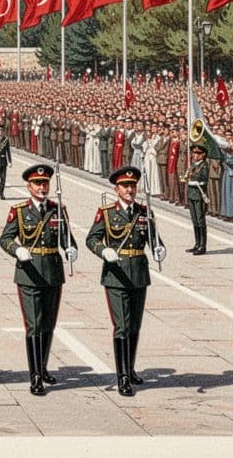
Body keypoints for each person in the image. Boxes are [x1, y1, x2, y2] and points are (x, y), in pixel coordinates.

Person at [86, 166, 165, 397]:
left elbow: (154, 239)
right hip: (116, 274)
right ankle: (121, 377)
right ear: (116, 189)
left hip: (139, 273)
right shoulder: (107, 213)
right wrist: (103, 251)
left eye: (132, 186)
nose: (129, 190)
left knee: (135, 326)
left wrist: (159, 249)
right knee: (122, 326)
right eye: (125, 186)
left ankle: (130, 369)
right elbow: (91, 239)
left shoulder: (144, 212)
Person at [0, 163, 77, 395]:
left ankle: (42, 368)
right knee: (34, 325)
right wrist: (17, 249)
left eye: (45, 184)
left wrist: (71, 249)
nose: (42, 188)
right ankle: (35, 376)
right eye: (37, 184)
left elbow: (67, 238)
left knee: (48, 324)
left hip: (53, 273)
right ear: (29, 186)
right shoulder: (19, 211)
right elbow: (5, 238)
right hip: (29, 273)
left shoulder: (58, 210)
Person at [184, 144, 210, 254]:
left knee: (200, 220)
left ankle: (202, 246)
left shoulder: (204, 166)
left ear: (203, 155)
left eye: (198, 153)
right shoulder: (193, 165)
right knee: (194, 220)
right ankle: (197, 243)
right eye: (194, 153)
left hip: (199, 194)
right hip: (191, 194)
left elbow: (204, 180)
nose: (195, 155)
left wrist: (195, 182)